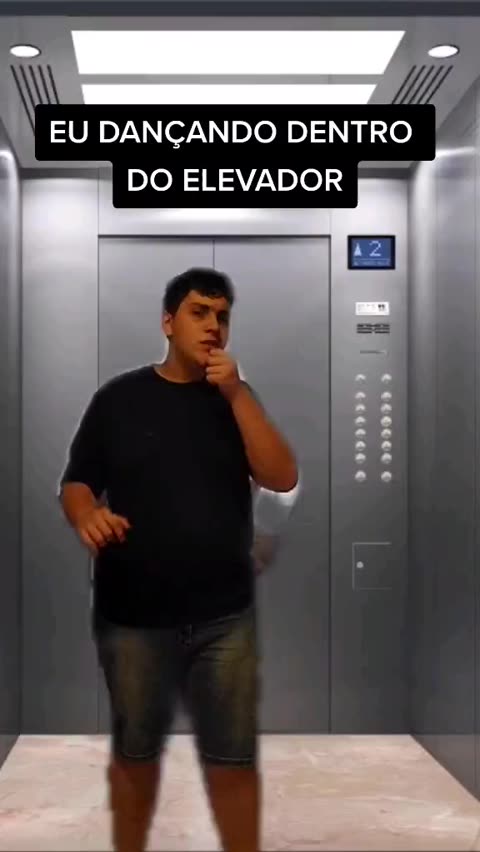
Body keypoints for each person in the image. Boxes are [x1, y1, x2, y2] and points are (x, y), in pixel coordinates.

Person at [58, 267, 298, 852]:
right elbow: (77, 481)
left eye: (222, 316)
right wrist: (85, 514)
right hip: (133, 618)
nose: (213, 326)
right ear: (168, 322)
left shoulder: (236, 400)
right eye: (199, 312)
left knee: (233, 760)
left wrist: (236, 394)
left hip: (225, 618)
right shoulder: (118, 399)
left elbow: (280, 475)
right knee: (136, 755)